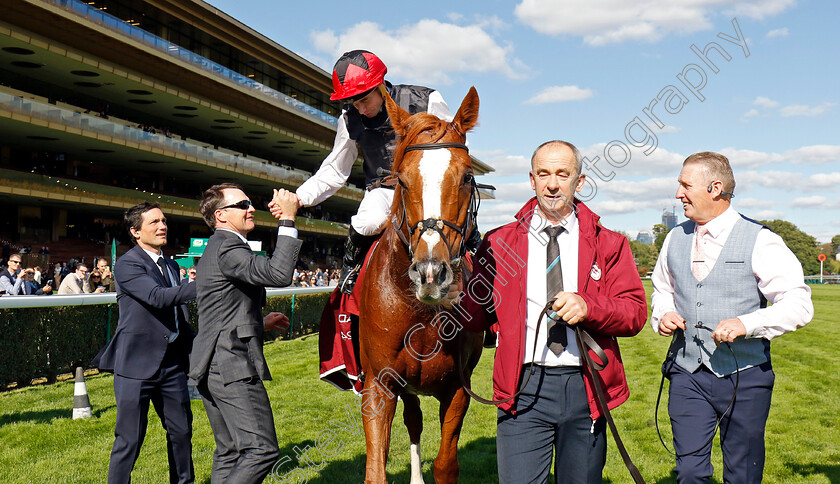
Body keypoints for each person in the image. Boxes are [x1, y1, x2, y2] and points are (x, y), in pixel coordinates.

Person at [461, 140, 647, 483]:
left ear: (579, 181)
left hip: (585, 387)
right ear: (532, 180)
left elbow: (635, 312)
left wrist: (590, 306)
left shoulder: (609, 243)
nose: (552, 184)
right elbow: (475, 315)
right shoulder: (499, 243)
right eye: (544, 174)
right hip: (523, 388)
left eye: (563, 174)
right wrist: (448, 293)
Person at [650, 151, 813, 483]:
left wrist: (747, 323)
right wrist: (664, 312)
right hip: (687, 374)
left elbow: (799, 303)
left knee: (742, 474)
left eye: (685, 185)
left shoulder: (761, 240)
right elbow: (662, 290)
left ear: (715, 188)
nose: (678, 194)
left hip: (746, 377)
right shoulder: (673, 238)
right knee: (690, 473)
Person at [291, 49, 480, 294]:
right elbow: (335, 169)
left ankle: (476, 254)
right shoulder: (349, 120)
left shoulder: (427, 99)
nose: (359, 108)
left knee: (459, 216)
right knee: (367, 222)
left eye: (364, 100)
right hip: (383, 188)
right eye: (353, 102)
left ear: (380, 86)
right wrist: (299, 197)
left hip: (426, 186)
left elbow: (452, 144)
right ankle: (350, 267)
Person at [189, 184, 301, 483]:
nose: (251, 208)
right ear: (221, 215)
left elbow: (221, 307)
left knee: (230, 452)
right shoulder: (228, 246)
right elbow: (278, 275)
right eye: (243, 204)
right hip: (230, 364)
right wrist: (288, 222)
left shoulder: (219, 246)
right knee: (260, 450)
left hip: (212, 362)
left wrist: (259, 323)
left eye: (250, 203)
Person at [93, 202, 197, 484]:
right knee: (130, 439)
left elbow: (177, 315)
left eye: (164, 221)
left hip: (173, 365)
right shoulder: (127, 264)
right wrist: (210, 283)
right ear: (135, 232)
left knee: (181, 433)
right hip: (135, 366)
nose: (162, 226)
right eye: (154, 222)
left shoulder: (172, 265)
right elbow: (157, 297)